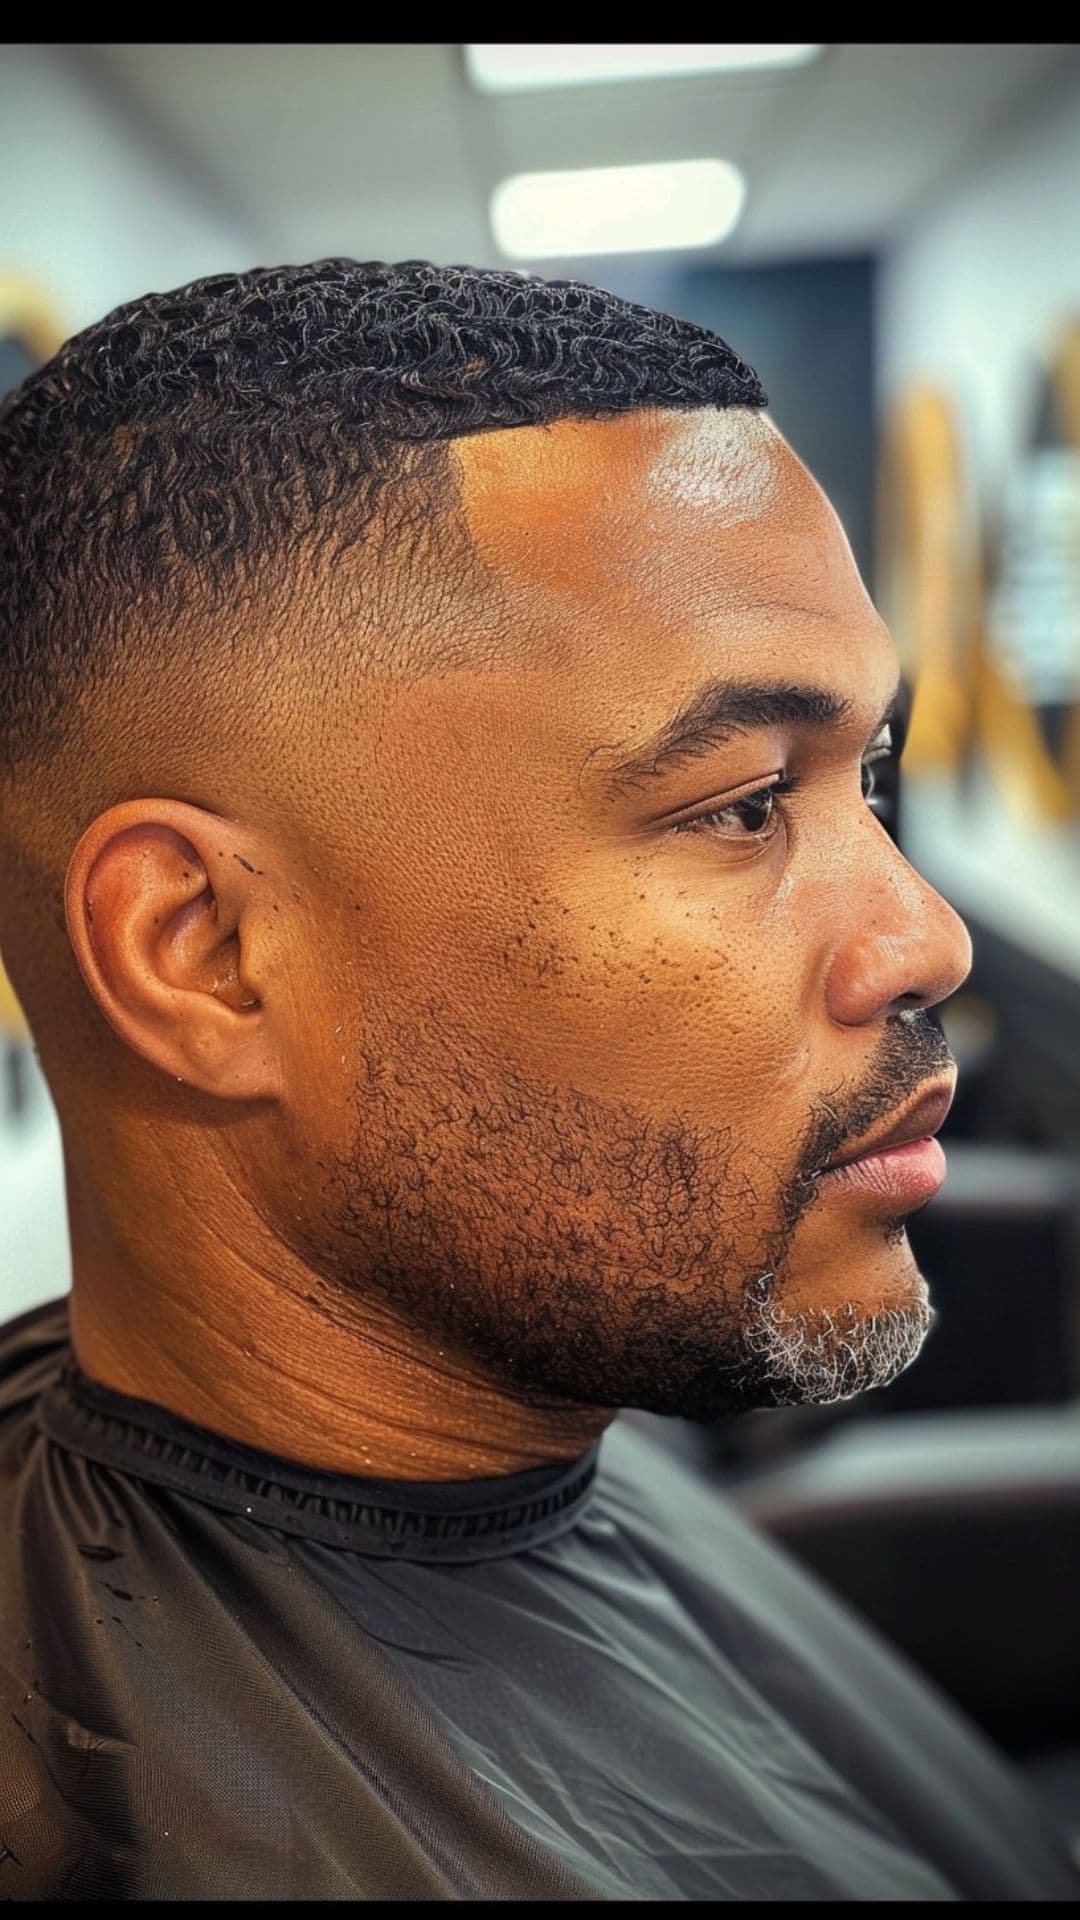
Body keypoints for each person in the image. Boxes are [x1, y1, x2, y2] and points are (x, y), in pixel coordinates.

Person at [0, 261, 1074, 1901]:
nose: (924, 940)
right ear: (205, 950)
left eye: (865, 772)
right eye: (736, 805)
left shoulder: (514, 1363)